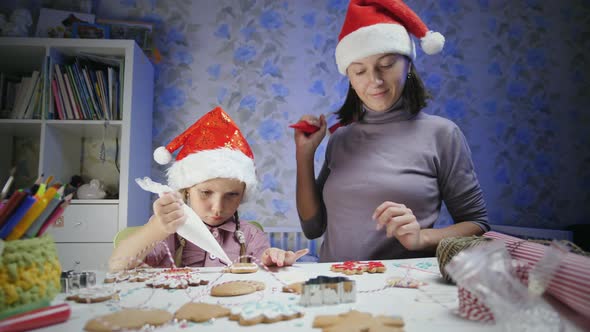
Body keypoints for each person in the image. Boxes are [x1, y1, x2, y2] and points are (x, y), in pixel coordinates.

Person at [294, 0, 489, 262]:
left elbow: (477, 225)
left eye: (386, 64)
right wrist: (304, 156)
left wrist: (422, 238)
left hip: (402, 289)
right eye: (359, 71)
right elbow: (313, 228)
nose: (374, 80)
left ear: (408, 64)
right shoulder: (341, 138)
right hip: (335, 287)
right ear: (350, 78)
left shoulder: (442, 134)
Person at [110, 107, 307, 271]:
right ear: (187, 189)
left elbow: (266, 277)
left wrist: (273, 260)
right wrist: (158, 228)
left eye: (232, 195)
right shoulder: (170, 228)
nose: (217, 208)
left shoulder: (251, 236)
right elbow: (117, 266)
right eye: (206, 193)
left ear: (243, 195)